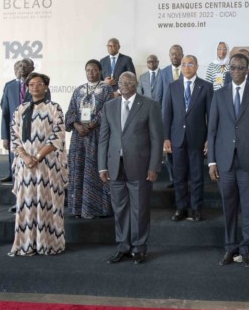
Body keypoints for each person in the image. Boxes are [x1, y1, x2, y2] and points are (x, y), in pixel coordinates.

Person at [208, 52, 249, 268]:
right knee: (229, 208)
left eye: (240, 68)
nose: (236, 71)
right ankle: (229, 248)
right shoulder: (219, 94)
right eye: (233, 67)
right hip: (225, 163)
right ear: (229, 69)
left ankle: (246, 250)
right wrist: (212, 162)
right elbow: (212, 130)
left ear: (247, 70)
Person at [99, 72, 163, 265]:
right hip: (115, 167)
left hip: (141, 167)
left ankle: (139, 248)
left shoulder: (150, 105)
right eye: (121, 82)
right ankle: (123, 247)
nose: (125, 84)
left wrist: (154, 166)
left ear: (136, 83)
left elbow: (157, 139)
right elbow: (104, 139)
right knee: (120, 209)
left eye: (129, 81)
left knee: (139, 209)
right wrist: (102, 166)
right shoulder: (109, 106)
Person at [9, 73, 69, 255]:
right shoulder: (20, 110)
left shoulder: (54, 108)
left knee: (48, 202)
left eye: (39, 84)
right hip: (25, 166)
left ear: (46, 87)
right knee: (26, 203)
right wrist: (26, 157)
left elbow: (57, 134)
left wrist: (38, 156)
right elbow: (14, 137)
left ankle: (49, 244)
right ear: (27, 87)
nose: (35, 87)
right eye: (32, 84)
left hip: (48, 165)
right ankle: (27, 244)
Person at [163, 55, 213, 222]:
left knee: (197, 176)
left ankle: (196, 208)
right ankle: (181, 208)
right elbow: (167, 114)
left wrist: (209, 139)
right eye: (184, 64)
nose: (186, 67)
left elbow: (211, 116)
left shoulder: (206, 87)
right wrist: (166, 138)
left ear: (197, 66)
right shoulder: (172, 86)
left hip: (197, 138)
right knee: (178, 176)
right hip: (176, 139)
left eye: (190, 64)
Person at [65, 60, 114, 219]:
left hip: (98, 136)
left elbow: (108, 110)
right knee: (79, 170)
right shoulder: (79, 90)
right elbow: (70, 112)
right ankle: (79, 208)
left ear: (100, 71)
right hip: (79, 138)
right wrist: (78, 126)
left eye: (94, 70)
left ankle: (99, 209)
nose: (91, 73)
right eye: (88, 70)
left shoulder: (106, 89)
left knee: (96, 170)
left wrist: (92, 125)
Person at [0, 58, 47, 185]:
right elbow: (5, 111)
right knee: (14, 156)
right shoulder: (9, 86)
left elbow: (46, 108)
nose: (21, 69)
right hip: (14, 129)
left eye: (25, 66)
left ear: (32, 68)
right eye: (19, 66)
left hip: (34, 131)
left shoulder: (40, 85)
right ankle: (15, 183)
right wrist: (5, 136)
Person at [159, 44, 184, 188]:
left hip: (183, 118)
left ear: (182, 55)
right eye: (172, 54)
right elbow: (159, 96)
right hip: (168, 118)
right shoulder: (163, 73)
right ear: (169, 56)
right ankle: (174, 179)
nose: (175, 56)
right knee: (169, 150)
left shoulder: (188, 71)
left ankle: (182, 178)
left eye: (177, 53)